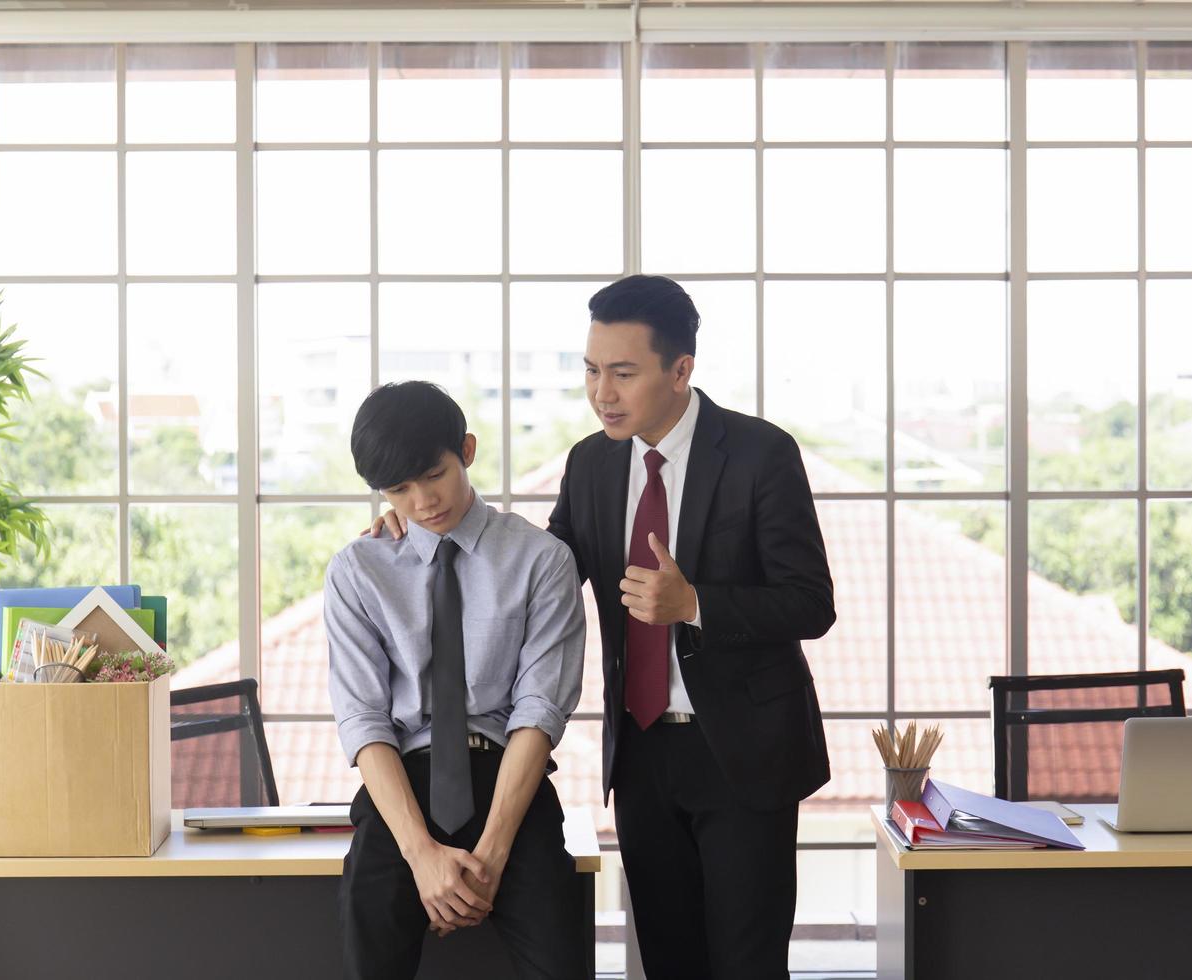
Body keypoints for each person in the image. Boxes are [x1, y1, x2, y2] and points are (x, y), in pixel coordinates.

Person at [370, 276, 836, 979]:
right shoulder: (591, 462)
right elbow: (535, 569)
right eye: (591, 370)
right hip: (643, 755)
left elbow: (811, 602)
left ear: (681, 371)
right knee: (668, 960)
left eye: (623, 373)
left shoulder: (760, 454)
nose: (602, 393)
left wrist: (696, 604)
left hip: (744, 754)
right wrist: (420, 521)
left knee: (747, 963)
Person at [328, 380, 587, 980]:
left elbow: (539, 712)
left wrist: (490, 858)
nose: (422, 502)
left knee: (562, 961)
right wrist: (422, 857)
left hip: (509, 785)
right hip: (403, 788)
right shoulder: (357, 571)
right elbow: (364, 720)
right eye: (398, 489)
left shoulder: (542, 560)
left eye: (433, 474)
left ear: (466, 450)